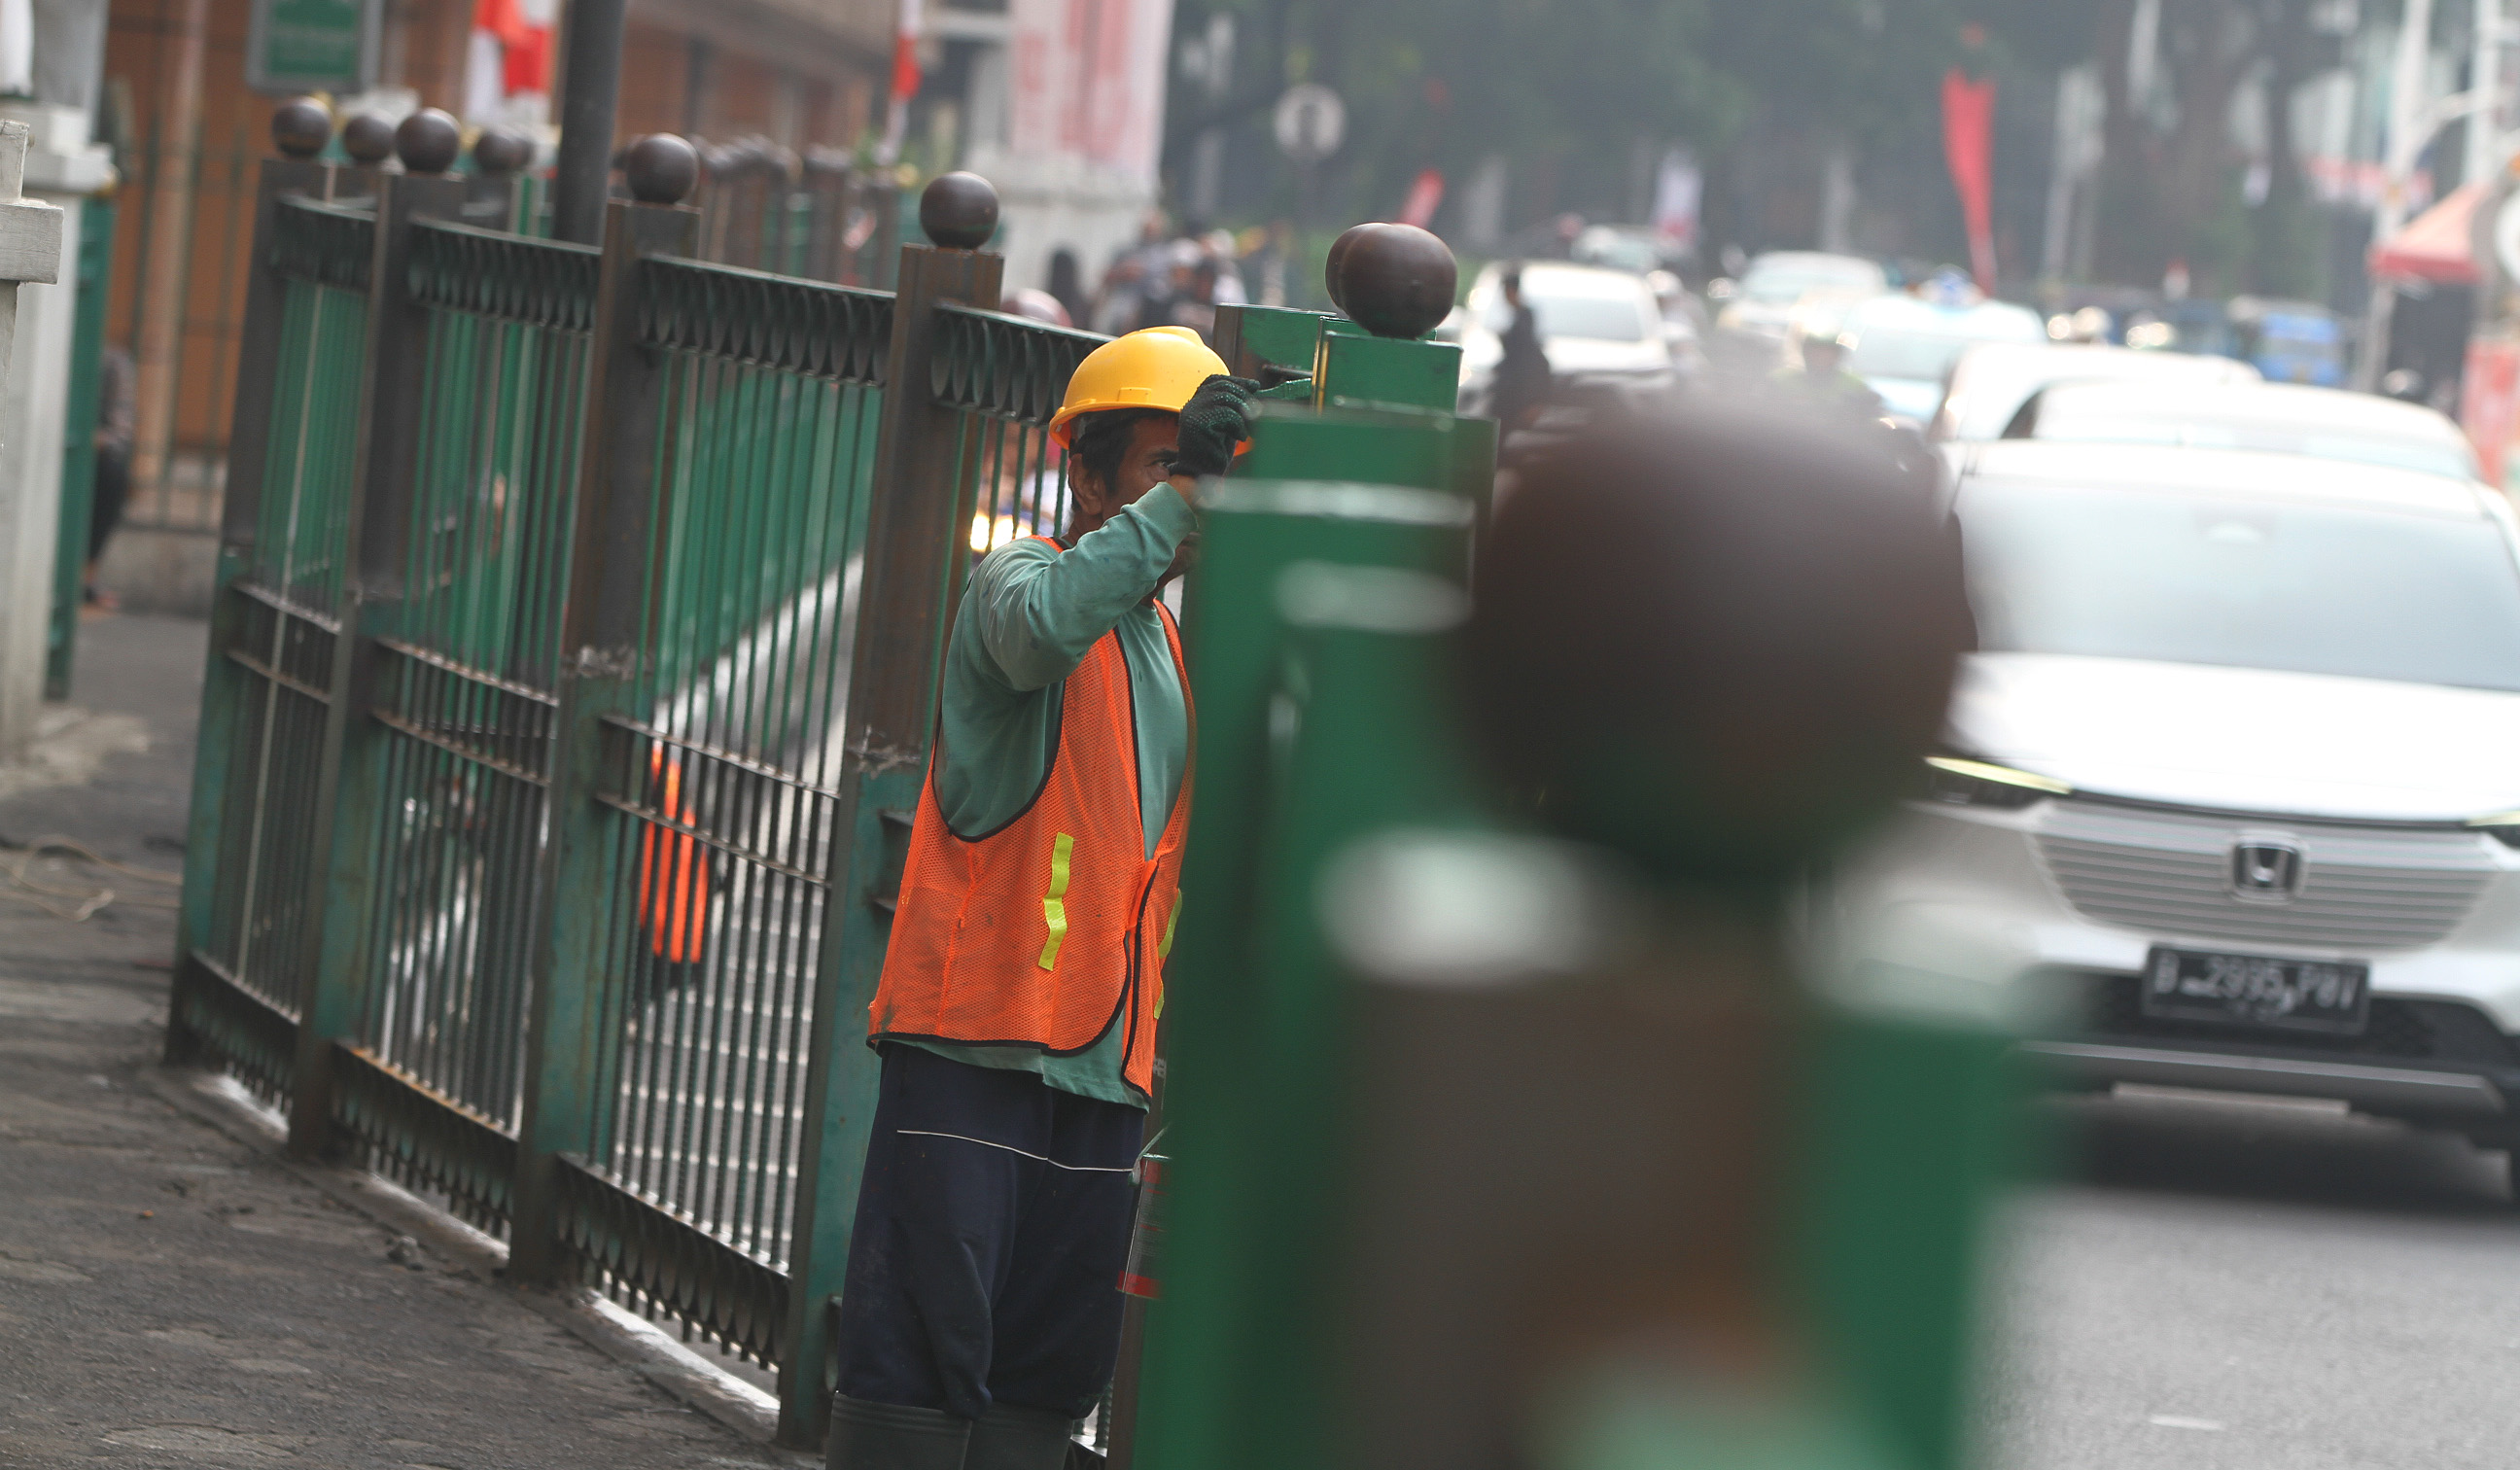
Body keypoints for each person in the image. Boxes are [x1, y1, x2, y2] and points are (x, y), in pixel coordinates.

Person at [827, 328, 1258, 1470]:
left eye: (1200, 465)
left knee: (1051, 1364)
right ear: (1087, 471)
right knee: (921, 1350)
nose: (1186, 491)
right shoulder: (1015, 583)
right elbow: (1045, 629)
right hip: (975, 1042)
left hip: (1102, 1069)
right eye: (1164, 463)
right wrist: (1187, 500)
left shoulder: (1163, 643)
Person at [86, 345, 134, 612]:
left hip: (95, 455)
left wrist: (90, 439)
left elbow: (120, 432)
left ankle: (88, 573)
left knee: (114, 476)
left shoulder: (113, 364)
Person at [1772, 320, 1881, 416]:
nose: (1821, 358)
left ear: (1838, 355)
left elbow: (1872, 416)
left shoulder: (1855, 385)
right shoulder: (1781, 381)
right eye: (1815, 353)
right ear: (1805, 352)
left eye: (1828, 353)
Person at [1490, 266, 1552, 436]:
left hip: (1516, 393)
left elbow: (1525, 359)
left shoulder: (1523, 322)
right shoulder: (1519, 318)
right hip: (1512, 391)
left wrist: (1534, 401)